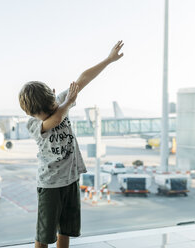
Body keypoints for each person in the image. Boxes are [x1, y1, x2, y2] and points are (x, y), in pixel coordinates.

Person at [18, 41, 124, 248]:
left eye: (53, 106)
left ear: (54, 94)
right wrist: (66, 104)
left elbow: (83, 79)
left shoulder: (58, 102)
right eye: (45, 113)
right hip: (50, 185)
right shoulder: (33, 124)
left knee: (65, 229)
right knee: (44, 233)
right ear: (31, 115)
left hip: (71, 178)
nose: (52, 111)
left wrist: (109, 60)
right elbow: (56, 119)